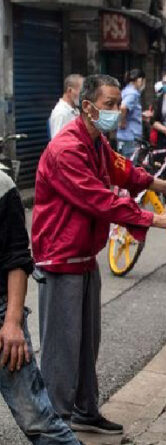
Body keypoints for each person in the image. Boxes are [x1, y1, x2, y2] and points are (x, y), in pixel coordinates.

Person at [32, 74, 166, 434]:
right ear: (88, 106)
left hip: (83, 254)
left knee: (87, 342)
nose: (116, 110)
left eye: (117, 102)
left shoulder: (95, 142)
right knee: (62, 346)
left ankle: (85, 409)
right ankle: (56, 422)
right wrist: (157, 219)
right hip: (60, 256)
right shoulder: (67, 149)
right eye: (109, 104)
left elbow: (122, 170)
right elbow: (99, 199)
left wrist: (161, 184)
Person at [0, 167, 82, 445]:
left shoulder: (2, 185)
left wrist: (12, 323)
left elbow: (17, 259)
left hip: (2, 317)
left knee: (35, 416)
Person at [117, 68, 146, 159]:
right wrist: (122, 122)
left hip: (124, 136)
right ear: (139, 80)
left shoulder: (125, 91)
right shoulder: (133, 93)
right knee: (130, 167)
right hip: (131, 136)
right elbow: (123, 107)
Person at [49, 74, 84, 139]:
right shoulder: (61, 113)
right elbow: (57, 144)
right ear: (70, 91)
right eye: (81, 91)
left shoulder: (75, 110)